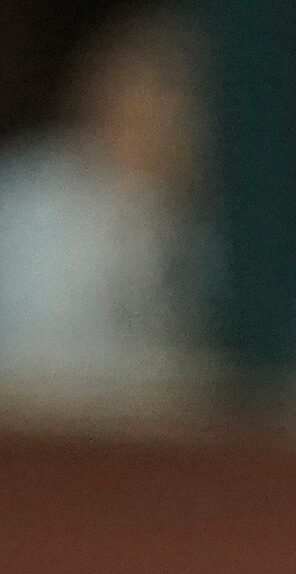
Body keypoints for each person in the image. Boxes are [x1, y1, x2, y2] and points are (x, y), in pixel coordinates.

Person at [0, 6, 202, 393]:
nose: (180, 120)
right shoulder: (35, 201)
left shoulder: (180, 219)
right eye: (160, 93)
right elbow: (39, 377)